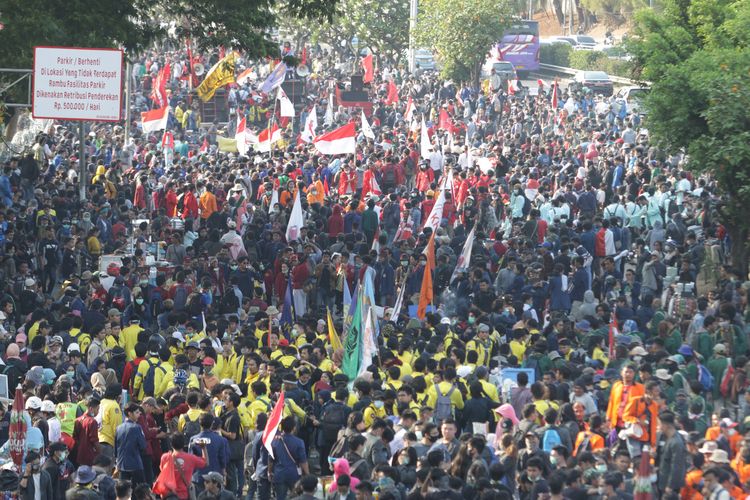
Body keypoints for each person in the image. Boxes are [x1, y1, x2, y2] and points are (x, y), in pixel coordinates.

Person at [154, 433, 209, 500]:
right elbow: (206, 463)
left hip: (168, 495)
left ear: (171, 444)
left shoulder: (165, 457)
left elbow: (163, 471)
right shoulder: (191, 458)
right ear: (183, 444)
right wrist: (203, 447)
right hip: (183, 495)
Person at [269, 416, 309, 500]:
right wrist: (307, 474)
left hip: (279, 474)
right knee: (297, 497)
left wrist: (269, 472)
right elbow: (303, 461)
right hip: (294, 475)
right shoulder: (299, 442)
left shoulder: (275, 441)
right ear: (294, 428)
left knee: (280, 497)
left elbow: (271, 460)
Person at [114, 403, 147, 486]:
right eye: (136, 413)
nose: (139, 415)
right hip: (135, 464)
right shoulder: (137, 427)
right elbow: (143, 446)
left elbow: (116, 449)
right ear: (129, 413)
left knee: (124, 492)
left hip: (122, 465)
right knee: (140, 491)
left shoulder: (118, 428)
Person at [657, 411, 687, 497]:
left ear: (666, 425)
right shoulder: (669, 438)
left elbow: (676, 466)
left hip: (670, 487)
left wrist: (670, 485)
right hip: (663, 482)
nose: (659, 427)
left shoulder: (676, 442)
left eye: (660, 424)